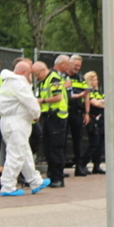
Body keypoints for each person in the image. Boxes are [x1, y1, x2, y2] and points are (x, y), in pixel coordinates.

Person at [0, 60, 50, 197]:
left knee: (24, 152)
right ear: (25, 73)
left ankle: (35, 181)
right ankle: (7, 186)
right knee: (17, 154)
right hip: (17, 123)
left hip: (9, 122)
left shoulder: (8, 82)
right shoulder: (19, 83)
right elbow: (31, 102)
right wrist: (36, 114)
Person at [34, 56, 70, 188]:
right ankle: (52, 176)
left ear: (43, 70)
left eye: (37, 74)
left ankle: (58, 178)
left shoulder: (53, 79)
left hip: (57, 117)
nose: (36, 77)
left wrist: (42, 101)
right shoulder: (44, 81)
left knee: (56, 149)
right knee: (48, 148)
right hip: (49, 117)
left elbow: (58, 97)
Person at [78, 71, 106, 174]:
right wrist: (102, 102)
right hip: (92, 119)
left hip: (101, 119)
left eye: (96, 79)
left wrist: (102, 102)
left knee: (100, 144)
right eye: (94, 80)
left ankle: (96, 165)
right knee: (94, 143)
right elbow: (96, 103)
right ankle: (83, 163)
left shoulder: (98, 92)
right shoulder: (89, 92)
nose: (96, 82)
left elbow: (104, 102)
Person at [67, 54, 91, 176]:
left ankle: (79, 167)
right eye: (75, 65)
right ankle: (60, 167)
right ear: (69, 64)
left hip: (78, 111)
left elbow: (87, 96)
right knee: (62, 141)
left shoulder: (81, 78)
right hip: (65, 111)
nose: (77, 68)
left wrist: (87, 113)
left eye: (79, 66)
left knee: (78, 140)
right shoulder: (63, 77)